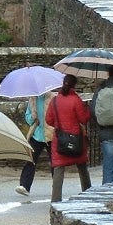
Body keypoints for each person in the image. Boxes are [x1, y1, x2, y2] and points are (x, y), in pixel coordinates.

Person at [44, 74, 92, 202]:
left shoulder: (54, 101)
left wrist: (59, 124)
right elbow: (83, 119)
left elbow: (48, 120)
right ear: (74, 86)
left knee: (59, 168)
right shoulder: (76, 100)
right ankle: (88, 193)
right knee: (82, 166)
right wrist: (87, 110)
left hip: (60, 139)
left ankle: (56, 200)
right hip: (76, 138)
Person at [15, 89, 53, 196]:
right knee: (30, 159)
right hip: (37, 135)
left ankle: (57, 186)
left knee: (55, 162)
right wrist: (32, 117)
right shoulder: (32, 99)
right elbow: (27, 117)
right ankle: (24, 186)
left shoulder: (52, 98)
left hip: (51, 134)